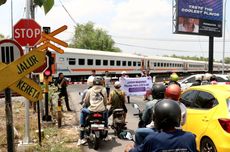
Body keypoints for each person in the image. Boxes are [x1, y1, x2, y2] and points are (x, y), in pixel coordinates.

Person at [125, 99, 197, 152]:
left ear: (156, 118)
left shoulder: (152, 139)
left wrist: (129, 148)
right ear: (178, 117)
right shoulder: (190, 137)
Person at [77, 76, 108, 145]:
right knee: (106, 112)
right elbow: (105, 101)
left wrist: (89, 105)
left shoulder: (89, 90)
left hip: (91, 111)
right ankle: (106, 126)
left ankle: (82, 125)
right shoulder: (104, 89)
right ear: (101, 82)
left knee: (82, 111)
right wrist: (104, 106)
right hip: (101, 111)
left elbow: (86, 101)